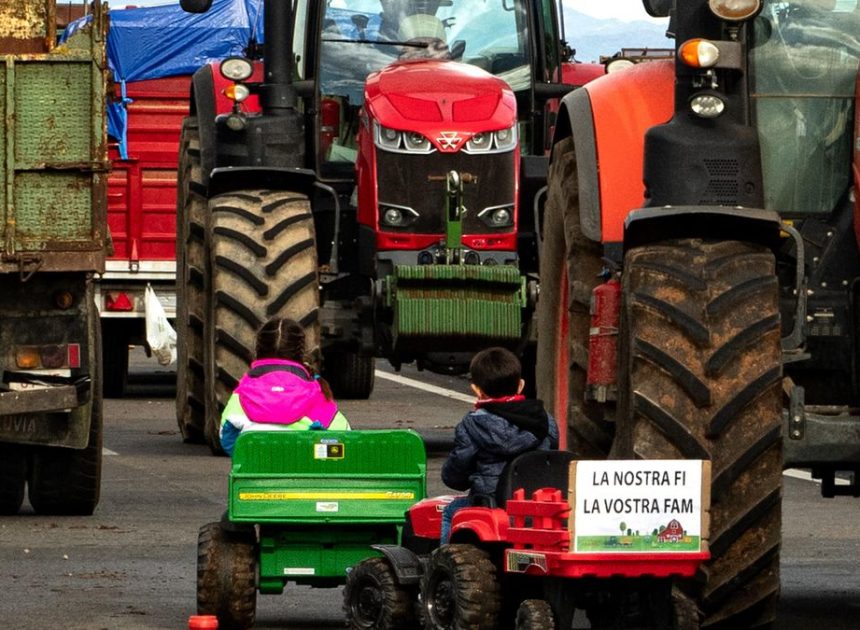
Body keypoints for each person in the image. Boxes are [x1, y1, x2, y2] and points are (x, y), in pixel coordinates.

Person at [440, 347, 558, 542]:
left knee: (450, 512)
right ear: (520, 386)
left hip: (493, 505)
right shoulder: (545, 419)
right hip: (538, 506)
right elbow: (549, 457)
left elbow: (455, 476)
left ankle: (442, 563)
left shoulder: (472, 424)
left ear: (476, 389)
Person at [219, 318, 350, 455]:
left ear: (258, 349)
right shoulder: (316, 391)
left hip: (256, 469)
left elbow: (226, 436)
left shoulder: (244, 390)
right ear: (301, 351)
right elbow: (343, 438)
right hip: (304, 469)